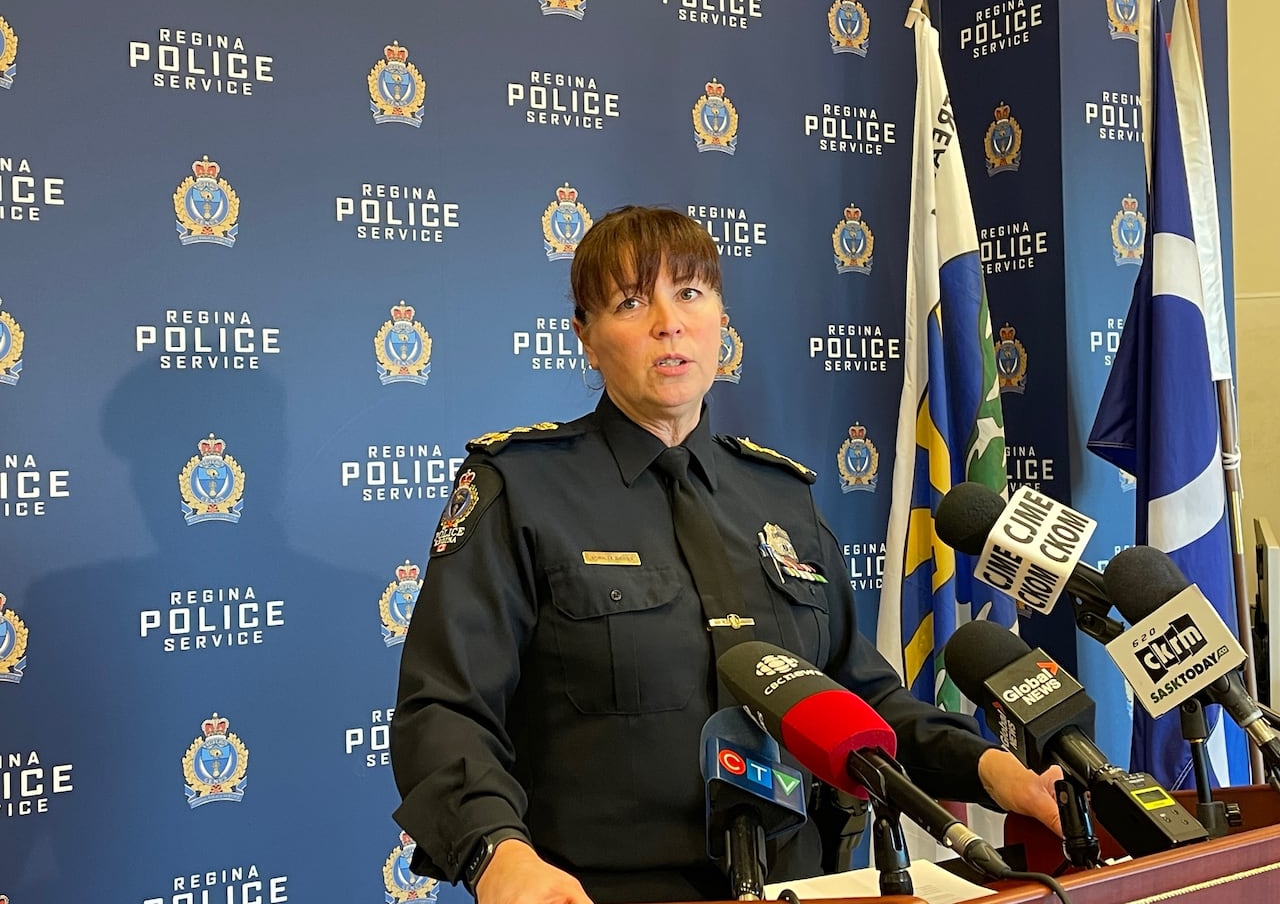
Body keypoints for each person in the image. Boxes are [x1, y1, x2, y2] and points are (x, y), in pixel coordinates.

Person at [390, 206, 1062, 904]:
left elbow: (858, 697)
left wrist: (990, 768)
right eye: (630, 302)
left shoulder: (780, 496)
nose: (668, 323)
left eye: (689, 293)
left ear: (720, 318)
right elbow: (445, 710)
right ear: (586, 339)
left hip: (808, 885)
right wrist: (497, 855)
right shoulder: (521, 490)